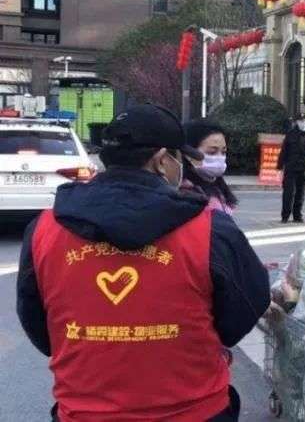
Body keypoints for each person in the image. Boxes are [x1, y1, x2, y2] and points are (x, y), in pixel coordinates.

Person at [16, 104, 270, 421]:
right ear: (162, 160)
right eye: (179, 158)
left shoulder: (44, 230)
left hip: (84, 412)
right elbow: (246, 308)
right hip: (195, 411)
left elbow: (40, 327)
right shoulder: (211, 231)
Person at [181, 119, 238, 214]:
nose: (219, 158)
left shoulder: (217, 186)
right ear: (189, 154)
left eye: (223, 152)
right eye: (212, 152)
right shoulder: (184, 194)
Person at [277, 111, 305, 223]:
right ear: (297, 122)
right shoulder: (291, 133)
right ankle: (285, 215)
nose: (303, 123)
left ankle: (297, 215)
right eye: (301, 121)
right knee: (288, 193)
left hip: (304, 168)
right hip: (291, 167)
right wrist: (279, 167)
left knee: (301, 193)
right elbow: (284, 151)